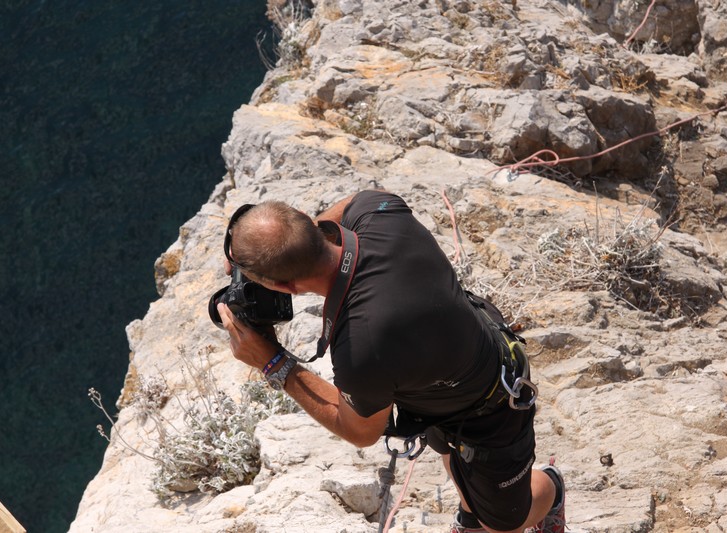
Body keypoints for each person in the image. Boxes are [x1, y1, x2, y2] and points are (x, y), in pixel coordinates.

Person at [216, 190, 565, 533]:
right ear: (309, 222)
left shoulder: (363, 346)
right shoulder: (378, 214)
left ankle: (550, 489)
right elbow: (353, 202)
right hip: (448, 364)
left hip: (490, 406)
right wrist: (295, 242)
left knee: (505, 523)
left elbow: (359, 430)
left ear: (286, 287)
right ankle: (473, 509)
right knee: (456, 460)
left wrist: (272, 361)